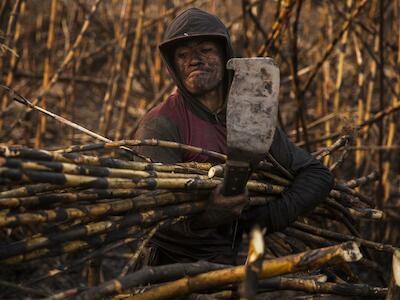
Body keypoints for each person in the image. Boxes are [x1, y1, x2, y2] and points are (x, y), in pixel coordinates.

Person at [134, 8, 334, 265]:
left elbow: (317, 175)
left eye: (205, 50)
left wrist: (262, 219)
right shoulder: (160, 125)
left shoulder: (249, 117)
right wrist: (208, 217)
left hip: (236, 269)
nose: (194, 60)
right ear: (174, 67)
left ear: (225, 54)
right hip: (174, 273)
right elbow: (150, 219)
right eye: (183, 55)